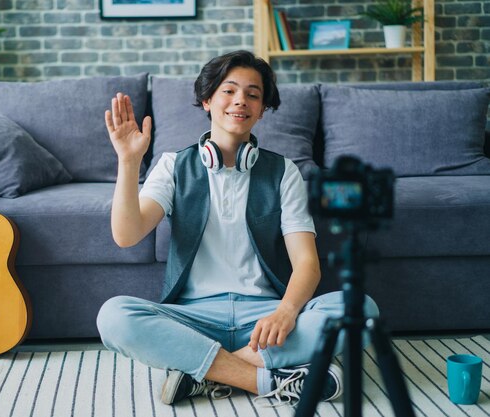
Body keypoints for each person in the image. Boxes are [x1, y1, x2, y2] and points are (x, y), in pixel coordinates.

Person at [96, 50, 379, 407]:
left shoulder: (284, 172)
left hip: (264, 320)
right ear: (207, 99)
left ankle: (200, 370)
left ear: (262, 110)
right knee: (114, 317)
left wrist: (286, 311)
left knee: (361, 309)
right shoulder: (173, 166)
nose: (240, 101)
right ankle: (265, 378)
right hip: (193, 317)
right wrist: (128, 161)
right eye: (229, 90)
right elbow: (127, 234)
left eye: (253, 94)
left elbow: (307, 263)